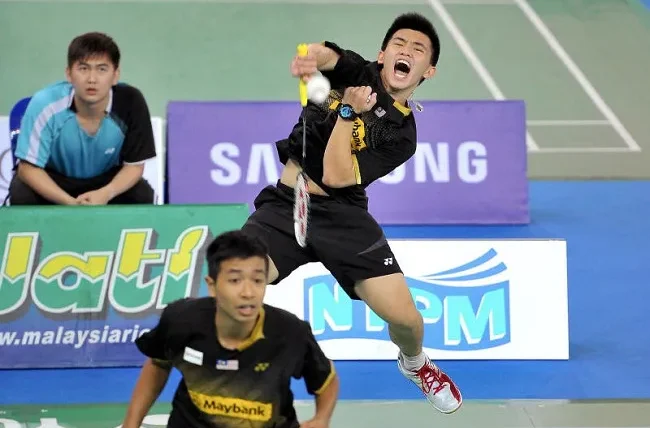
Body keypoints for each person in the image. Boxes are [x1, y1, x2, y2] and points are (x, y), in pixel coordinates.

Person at [241, 12, 462, 414]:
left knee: (407, 321)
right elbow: (328, 56)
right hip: (287, 204)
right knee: (239, 276)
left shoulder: (401, 136)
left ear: (428, 70)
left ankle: (415, 364)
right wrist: (311, 56)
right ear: (382, 54)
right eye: (398, 44)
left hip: (343, 215)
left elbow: (337, 176)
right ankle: (231, 373)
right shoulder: (359, 72)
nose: (406, 51)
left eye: (417, 49)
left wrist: (347, 113)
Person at [122, 230, 339, 428]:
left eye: (257, 280)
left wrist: (321, 419)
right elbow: (158, 363)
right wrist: (131, 424)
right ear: (212, 286)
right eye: (235, 280)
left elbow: (326, 380)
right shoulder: (181, 320)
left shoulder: (290, 333)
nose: (248, 292)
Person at [8, 32, 156, 206]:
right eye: (83, 69)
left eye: (102, 69)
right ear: (69, 74)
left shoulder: (131, 102)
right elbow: (28, 169)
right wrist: (70, 203)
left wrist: (106, 193)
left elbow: (134, 166)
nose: (92, 79)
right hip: (55, 180)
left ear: (115, 75)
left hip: (106, 181)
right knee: (21, 191)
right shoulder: (45, 103)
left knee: (141, 193)